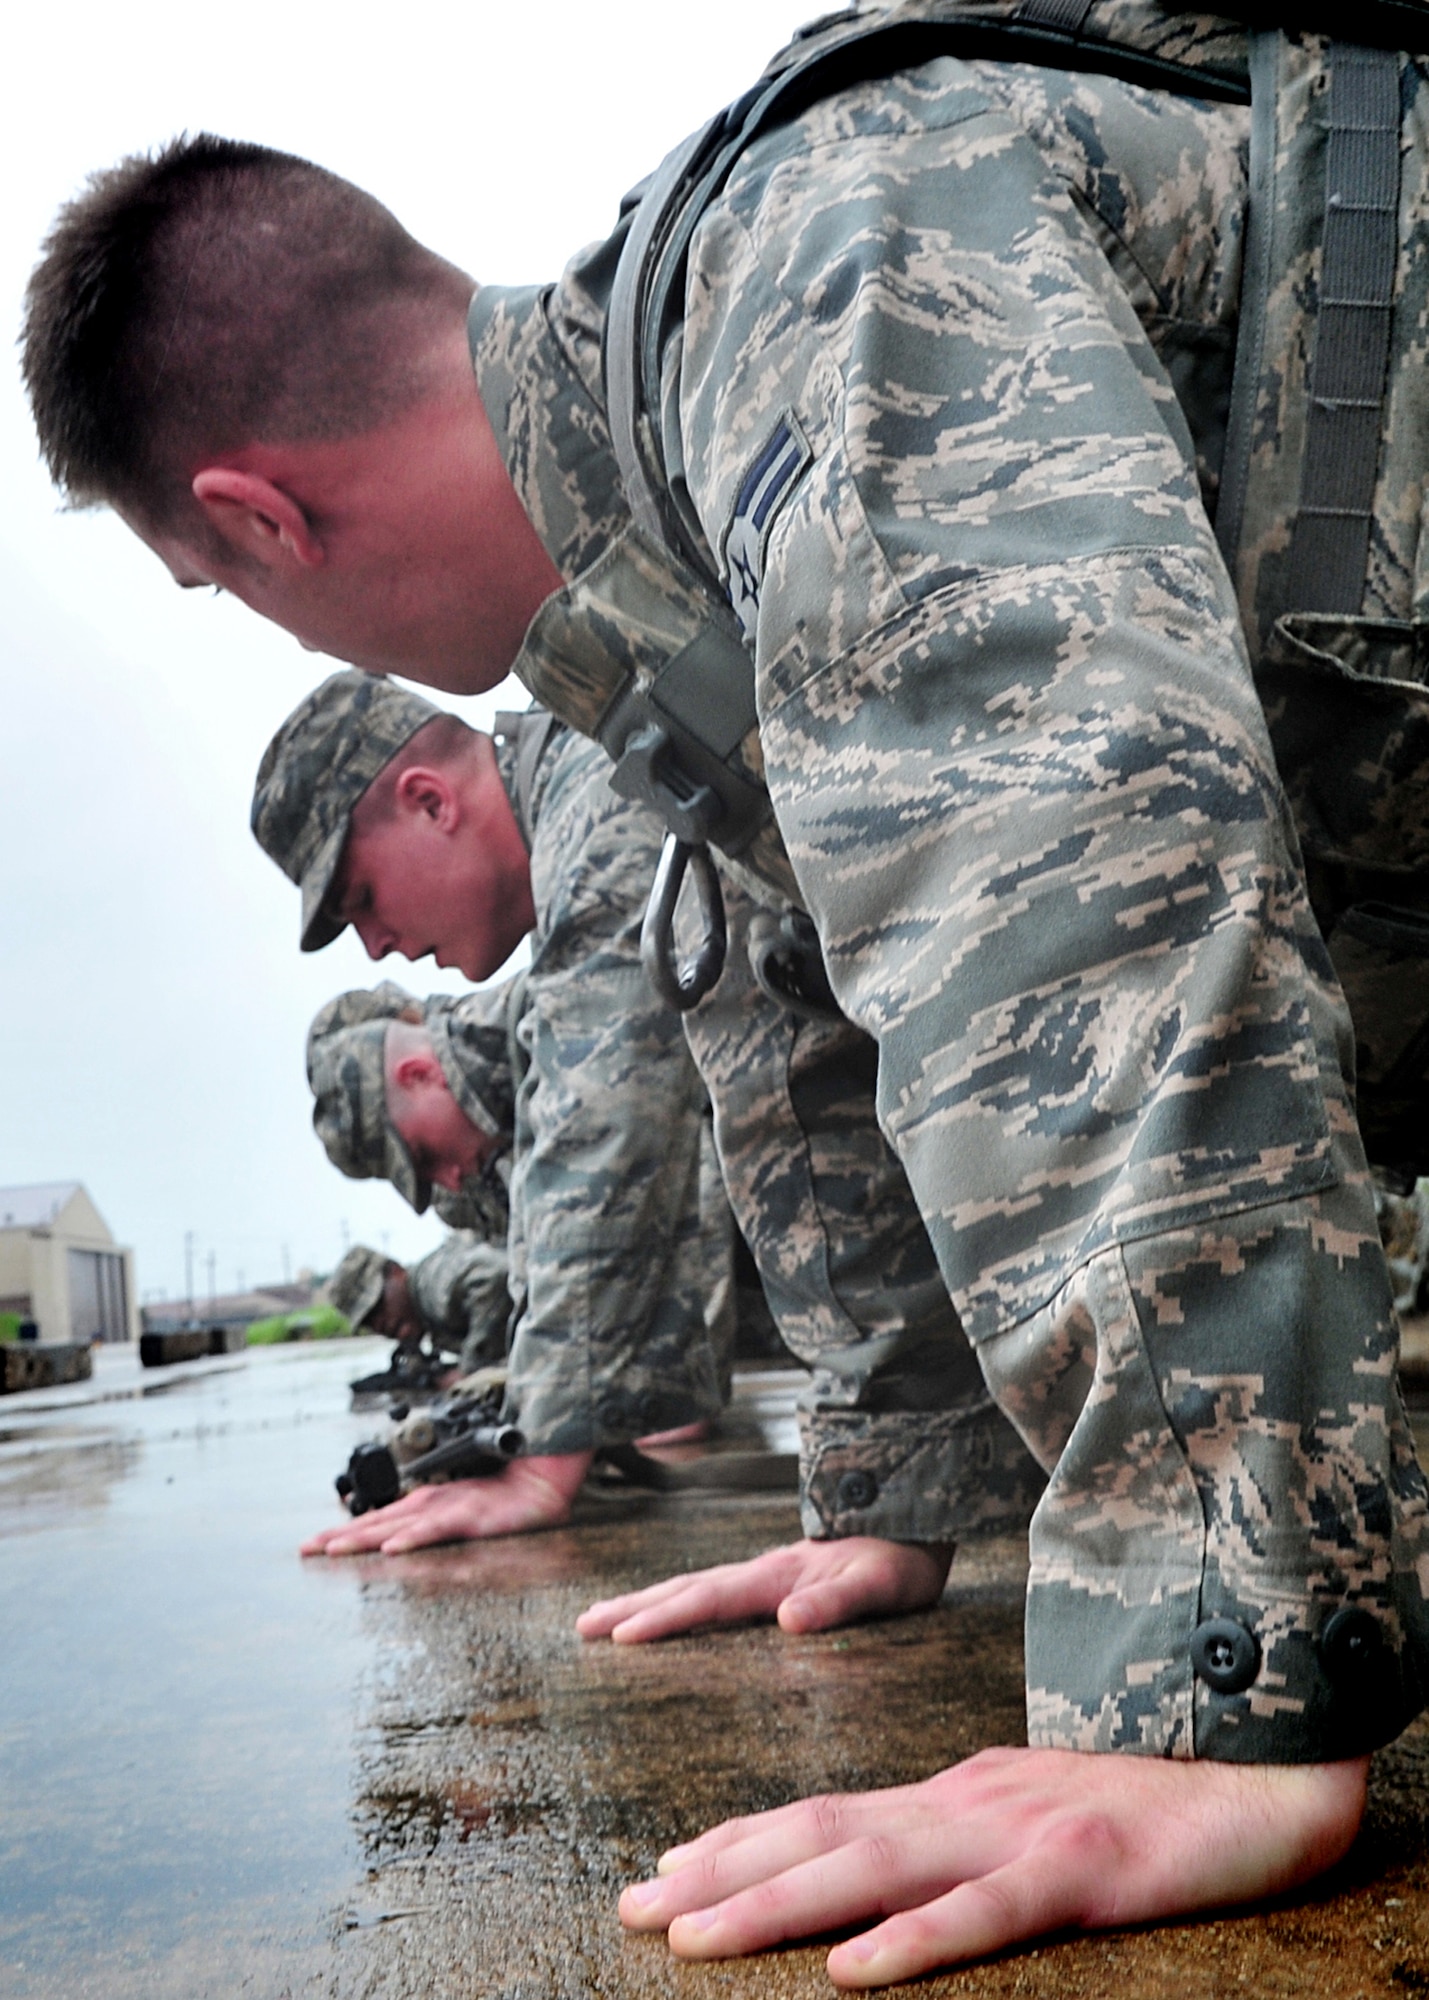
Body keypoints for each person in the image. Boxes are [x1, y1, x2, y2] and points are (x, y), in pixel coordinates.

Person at [22, 12, 1429, 1976]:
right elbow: (792, 1041)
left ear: (260, 519)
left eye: (225, 587)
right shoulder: (665, 610)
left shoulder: (805, 252)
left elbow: (1058, 854)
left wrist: (1200, 1666)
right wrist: (898, 1493)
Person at [251, 678, 739, 1551]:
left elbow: (605, 1124)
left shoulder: (593, 804)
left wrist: (543, 1448)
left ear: (430, 801)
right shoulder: (573, 818)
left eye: (361, 899)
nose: (376, 947)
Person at [324, 1232, 510, 1380]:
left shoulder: (430, 1282)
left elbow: (494, 1276)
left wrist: (470, 1371)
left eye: (378, 1306)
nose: (380, 1324)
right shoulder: (427, 1316)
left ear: (395, 1271)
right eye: (368, 1322)